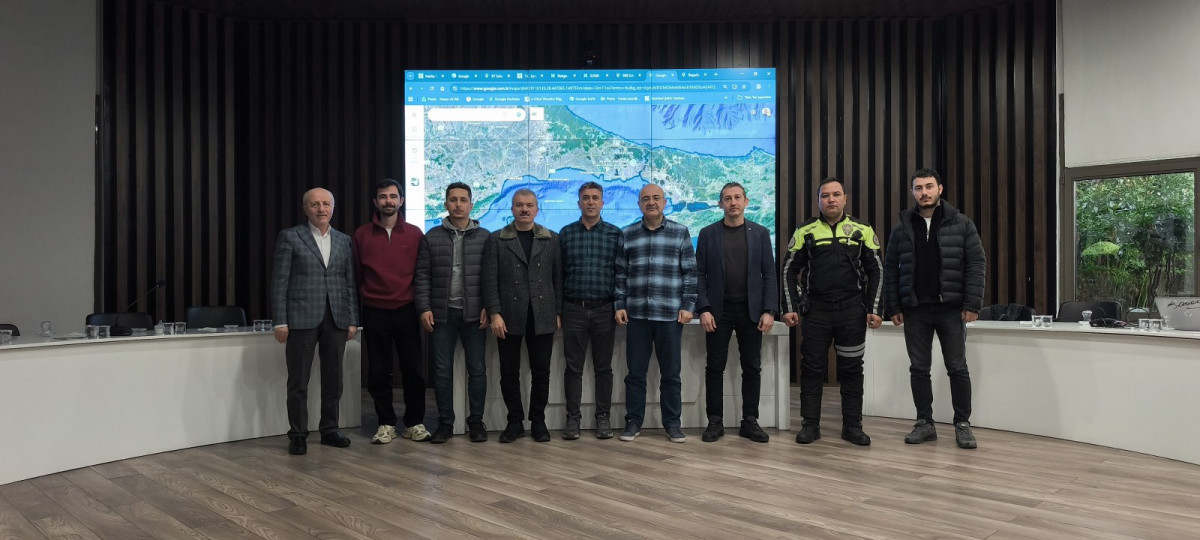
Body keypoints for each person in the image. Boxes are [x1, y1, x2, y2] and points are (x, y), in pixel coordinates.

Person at [884, 167, 986, 449]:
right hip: (915, 308)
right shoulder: (903, 226)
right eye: (918, 188)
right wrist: (893, 305)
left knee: (957, 367)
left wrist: (972, 303)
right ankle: (924, 423)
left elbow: (976, 263)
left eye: (929, 186)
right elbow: (890, 267)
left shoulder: (961, 223)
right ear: (912, 192)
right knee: (919, 368)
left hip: (951, 308)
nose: (924, 192)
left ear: (940, 189)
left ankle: (962, 424)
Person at [782, 177, 882, 447]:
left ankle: (852, 427)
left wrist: (874, 308)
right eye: (825, 195)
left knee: (852, 369)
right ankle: (809, 425)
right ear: (818, 201)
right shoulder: (805, 231)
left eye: (836, 194)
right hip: (816, 312)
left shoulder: (862, 229)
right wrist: (791, 307)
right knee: (812, 368)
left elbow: (877, 270)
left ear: (845, 198)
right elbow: (789, 271)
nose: (831, 199)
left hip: (852, 312)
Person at [271, 187, 359, 456]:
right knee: (298, 381)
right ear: (305, 209)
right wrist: (280, 321)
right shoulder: (290, 237)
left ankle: (330, 429)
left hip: (336, 317)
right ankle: (298, 434)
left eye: (326, 204)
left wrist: (352, 319)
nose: (321, 209)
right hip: (300, 317)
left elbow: (349, 283)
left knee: (334, 379)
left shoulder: (344, 240)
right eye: (315, 204)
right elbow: (279, 282)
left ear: (333, 207)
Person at [695, 182, 778, 443]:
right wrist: (703, 309)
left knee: (752, 367)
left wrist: (769, 310)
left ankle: (750, 421)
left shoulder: (760, 233)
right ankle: (715, 421)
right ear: (720, 204)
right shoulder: (708, 234)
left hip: (751, 311)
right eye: (728, 198)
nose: (733, 202)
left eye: (738, 197)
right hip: (718, 312)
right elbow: (699, 274)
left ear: (746, 201)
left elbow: (769, 273)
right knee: (714, 367)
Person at [615, 183, 697, 443]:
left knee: (671, 375)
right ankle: (633, 422)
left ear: (664, 202)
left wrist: (688, 306)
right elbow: (620, 274)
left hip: (670, 316)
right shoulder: (627, 233)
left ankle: (672, 423)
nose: (651, 202)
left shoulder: (680, 232)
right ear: (639, 204)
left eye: (656, 198)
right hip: (637, 315)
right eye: (646, 199)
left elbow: (690, 273)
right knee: (635, 375)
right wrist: (619, 304)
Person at [482, 188, 563, 443]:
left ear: (537, 209)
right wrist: (494, 312)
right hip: (508, 316)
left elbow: (558, 279)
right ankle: (514, 422)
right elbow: (489, 280)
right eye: (519, 205)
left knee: (541, 372)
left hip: (543, 314)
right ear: (512, 209)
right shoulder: (496, 239)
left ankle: (538, 422)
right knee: (509, 373)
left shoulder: (552, 239)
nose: (524, 209)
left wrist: (558, 312)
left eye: (529, 205)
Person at [353, 179, 429, 444]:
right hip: (375, 311)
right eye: (383, 197)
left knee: (413, 370)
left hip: (407, 310)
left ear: (401, 201)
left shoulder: (415, 234)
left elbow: (422, 273)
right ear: (376, 202)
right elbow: (357, 275)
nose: (388, 201)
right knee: (378, 371)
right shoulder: (362, 235)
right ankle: (385, 423)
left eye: (393, 196)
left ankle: (414, 423)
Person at [415, 182, 491, 444]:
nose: (458, 205)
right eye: (453, 200)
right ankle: (446, 423)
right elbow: (422, 275)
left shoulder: (485, 237)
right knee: (441, 371)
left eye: (463, 200)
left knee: (477, 369)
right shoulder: (431, 237)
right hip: (442, 314)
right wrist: (424, 307)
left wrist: (490, 307)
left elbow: (491, 277)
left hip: (475, 315)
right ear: (446, 204)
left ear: (471, 204)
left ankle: (476, 422)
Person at [558, 182, 622, 440]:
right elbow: (559, 274)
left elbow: (620, 273)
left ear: (602, 203)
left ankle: (603, 418)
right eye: (586, 198)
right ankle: (572, 418)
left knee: (603, 368)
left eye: (595, 198)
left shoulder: (614, 234)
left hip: (605, 310)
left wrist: (619, 305)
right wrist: (558, 310)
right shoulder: (565, 234)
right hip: (573, 309)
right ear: (579, 203)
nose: (591, 202)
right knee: (573, 369)